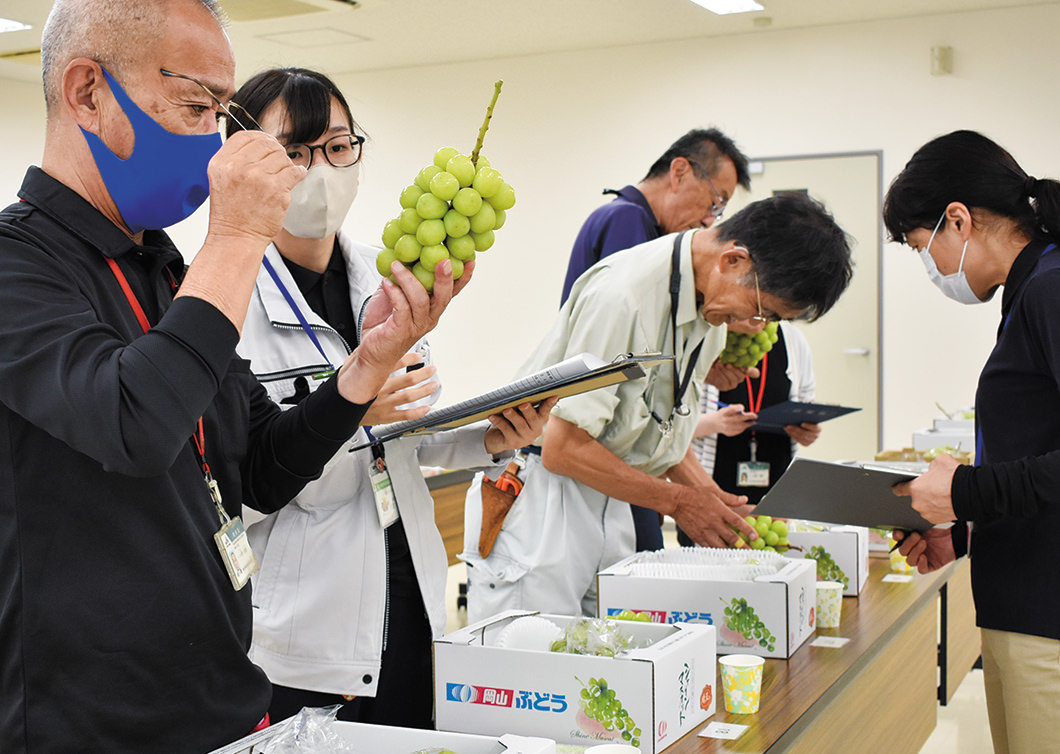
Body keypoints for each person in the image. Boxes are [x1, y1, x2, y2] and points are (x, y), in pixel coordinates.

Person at [0, 2, 469, 751]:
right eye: (195, 107)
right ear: (88, 92)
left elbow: (259, 463)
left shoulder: (161, 267)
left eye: (219, 112)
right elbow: (134, 424)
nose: (215, 144)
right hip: (86, 721)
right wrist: (241, 233)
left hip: (217, 702)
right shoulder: (17, 263)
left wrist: (365, 365)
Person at [226, 67, 555, 730]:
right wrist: (350, 411)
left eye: (338, 147)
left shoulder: (387, 277)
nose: (320, 171)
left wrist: (492, 434)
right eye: (294, 151)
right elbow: (240, 489)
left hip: (405, 592)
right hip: (300, 631)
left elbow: (402, 432)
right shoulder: (226, 304)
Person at [461, 192, 853, 622]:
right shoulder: (623, 296)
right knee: (534, 660)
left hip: (612, 491)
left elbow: (663, 424)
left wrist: (709, 498)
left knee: (608, 650)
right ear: (734, 260)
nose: (756, 326)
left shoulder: (707, 306)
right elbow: (564, 447)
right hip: (544, 494)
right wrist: (681, 503)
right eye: (762, 311)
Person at [885, 129, 1060, 754]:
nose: (930, 268)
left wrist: (963, 489)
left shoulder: (1049, 289)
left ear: (958, 218)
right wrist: (960, 523)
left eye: (920, 247)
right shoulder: (1029, 292)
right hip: (1021, 605)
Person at [561, 127, 752, 551]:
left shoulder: (640, 229)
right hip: (590, 451)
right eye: (716, 201)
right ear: (680, 172)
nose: (709, 220)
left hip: (616, 449)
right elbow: (632, 345)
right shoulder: (630, 224)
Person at [679, 320, 819, 545]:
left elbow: (806, 402)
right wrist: (714, 423)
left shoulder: (793, 339)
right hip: (713, 479)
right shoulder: (708, 334)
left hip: (775, 480)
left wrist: (808, 432)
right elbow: (668, 423)